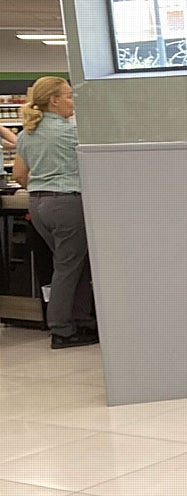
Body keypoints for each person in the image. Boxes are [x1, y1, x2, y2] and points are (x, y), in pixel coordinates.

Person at [11, 77, 98, 349]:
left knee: (75, 263)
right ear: (54, 100)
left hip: (38, 205)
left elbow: (20, 175)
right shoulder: (73, 134)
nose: (73, 101)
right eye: (69, 96)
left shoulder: (27, 134)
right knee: (68, 267)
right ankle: (62, 329)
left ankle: (81, 320)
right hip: (67, 204)